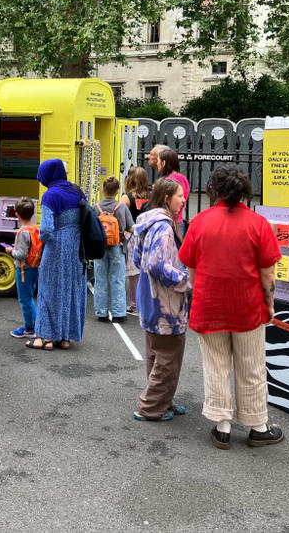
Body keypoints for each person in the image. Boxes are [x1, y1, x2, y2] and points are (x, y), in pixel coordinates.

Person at [179, 165, 284, 449]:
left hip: (209, 305)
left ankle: (222, 426)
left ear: (214, 190)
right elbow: (267, 273)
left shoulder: (200, 222)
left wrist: (196, 296)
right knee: (252, 366)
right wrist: (270, 305)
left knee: (216, 365)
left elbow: (190, 269)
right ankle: (258, 426)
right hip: (247, 307)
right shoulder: (258, 224)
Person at [132, 178, 191, 422]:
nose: (183, 199)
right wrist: (186, 280)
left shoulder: (147, 223)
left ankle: (163, 401)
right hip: (165, 304)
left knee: (156, 355)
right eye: (179, 196)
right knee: (168, 357)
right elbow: (158, 265)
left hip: (149, 298)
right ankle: (151, 406)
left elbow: (138, 259)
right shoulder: (164, 227)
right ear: (167, 199)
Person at [26, 159, 86, 350]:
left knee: (49, 290)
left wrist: (45, 241)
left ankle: (46, 337)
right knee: (70, 291)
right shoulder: (77, 191)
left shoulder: (50, 195)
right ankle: (65, 338)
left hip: (56, 248)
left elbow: (45, 230)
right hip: (77, 248)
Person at [93, 176, 134, 323]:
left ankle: (101, 312)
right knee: (118, 279)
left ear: (103, 190)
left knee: (100, 279)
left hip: (100, 248)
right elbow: (131, 228)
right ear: (117, 191)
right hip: (117, 246)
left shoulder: (96, 207)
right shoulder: (121, 207)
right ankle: (118, 313)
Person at [6, 197, 39, 338]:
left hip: (24, 269)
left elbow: (21, 254)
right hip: (34, 267)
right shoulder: (35, 228)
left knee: (25, 299)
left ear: (17, 215)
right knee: (29, 297)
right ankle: (36, 324)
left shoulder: (22, 232)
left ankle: (30, 328)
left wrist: (11, 251)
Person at [119, 167, 149, 316]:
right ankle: (145, 303)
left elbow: (120, 217)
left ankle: (134, 305)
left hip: (132, 237)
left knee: (133, 274)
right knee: (145, 271)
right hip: (147, 236)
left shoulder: (127, 198)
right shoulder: (150, 196)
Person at [157, 148, 190, 236]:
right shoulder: (183, 178)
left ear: (164, 163)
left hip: (170, 223)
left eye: (158, 161)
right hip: (179, 221)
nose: (157, 164)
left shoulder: (170, 180)